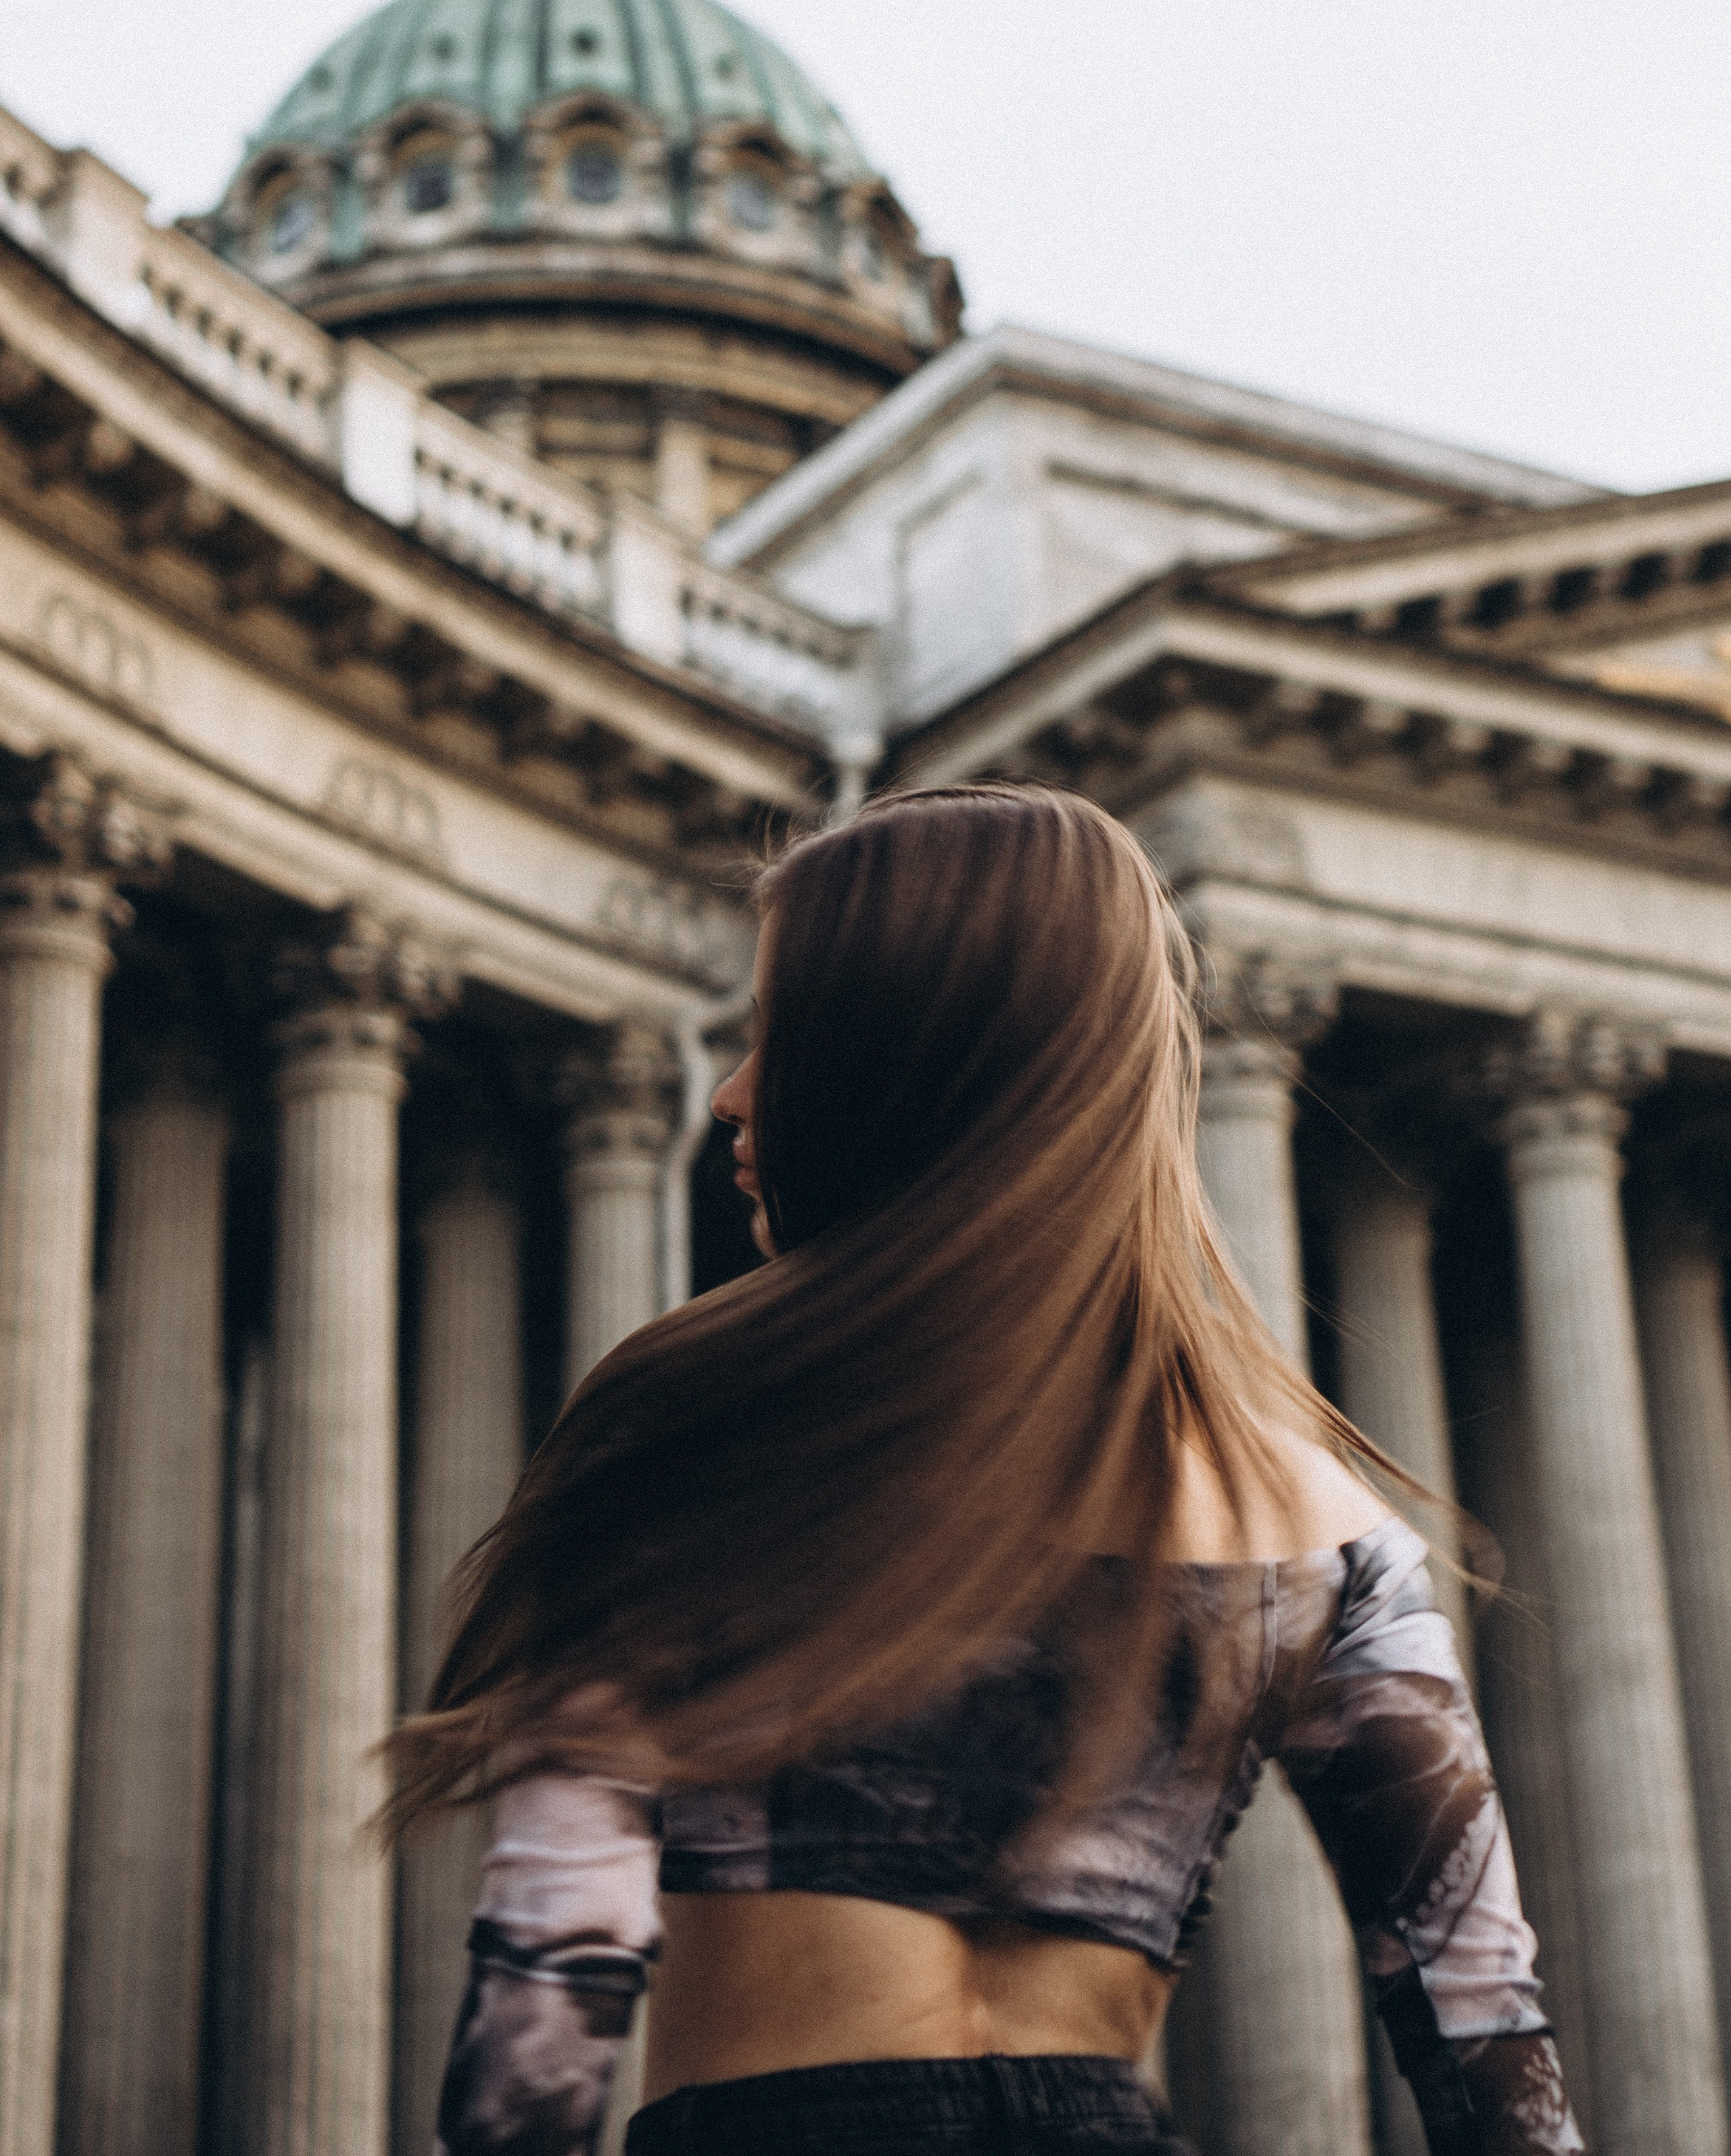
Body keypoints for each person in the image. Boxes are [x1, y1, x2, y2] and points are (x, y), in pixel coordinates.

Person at [383, 784, 1584, 2156]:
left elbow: (552, 1988)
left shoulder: (695, 1419)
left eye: (781, 1036)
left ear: (910, 1069)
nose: (729, 1093)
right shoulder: (1314, 1514)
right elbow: (1480, 2023)